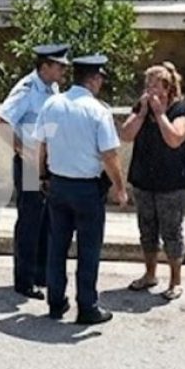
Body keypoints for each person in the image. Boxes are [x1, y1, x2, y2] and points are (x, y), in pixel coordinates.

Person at [34, 55, 128, 325]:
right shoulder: (98, 111)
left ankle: (55, 302)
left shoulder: (52, 104)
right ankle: (87, 307)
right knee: (88, 250)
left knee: (57, 247)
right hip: (87, 190)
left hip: (58, 186)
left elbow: (40, 146)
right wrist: (120, 189)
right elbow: (109, 155)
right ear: (94, 79)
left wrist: (41, 177)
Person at [0, 44, 70, 300]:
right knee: (30, 221)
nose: (64, 69)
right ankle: (24, 281)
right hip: (29, 165)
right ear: (45, 66)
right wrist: (22, 150)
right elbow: (0, 122)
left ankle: (41, 274)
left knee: (46, 220)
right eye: (59, 65)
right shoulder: (27, 89)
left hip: (48, 163)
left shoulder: (52, 88)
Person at [120, 62, 185, 302]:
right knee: (147, 230)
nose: (149, 89)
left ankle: (175, 280)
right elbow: (126, 135)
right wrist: (143, 112)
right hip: (144, 180)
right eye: (147, 84)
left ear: (168, 88)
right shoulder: (142, 108)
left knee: (171, 232)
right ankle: (150, 274)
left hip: (172, 183)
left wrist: (161, 114)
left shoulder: (181, 110)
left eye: (155, 84)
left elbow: (174, 139)